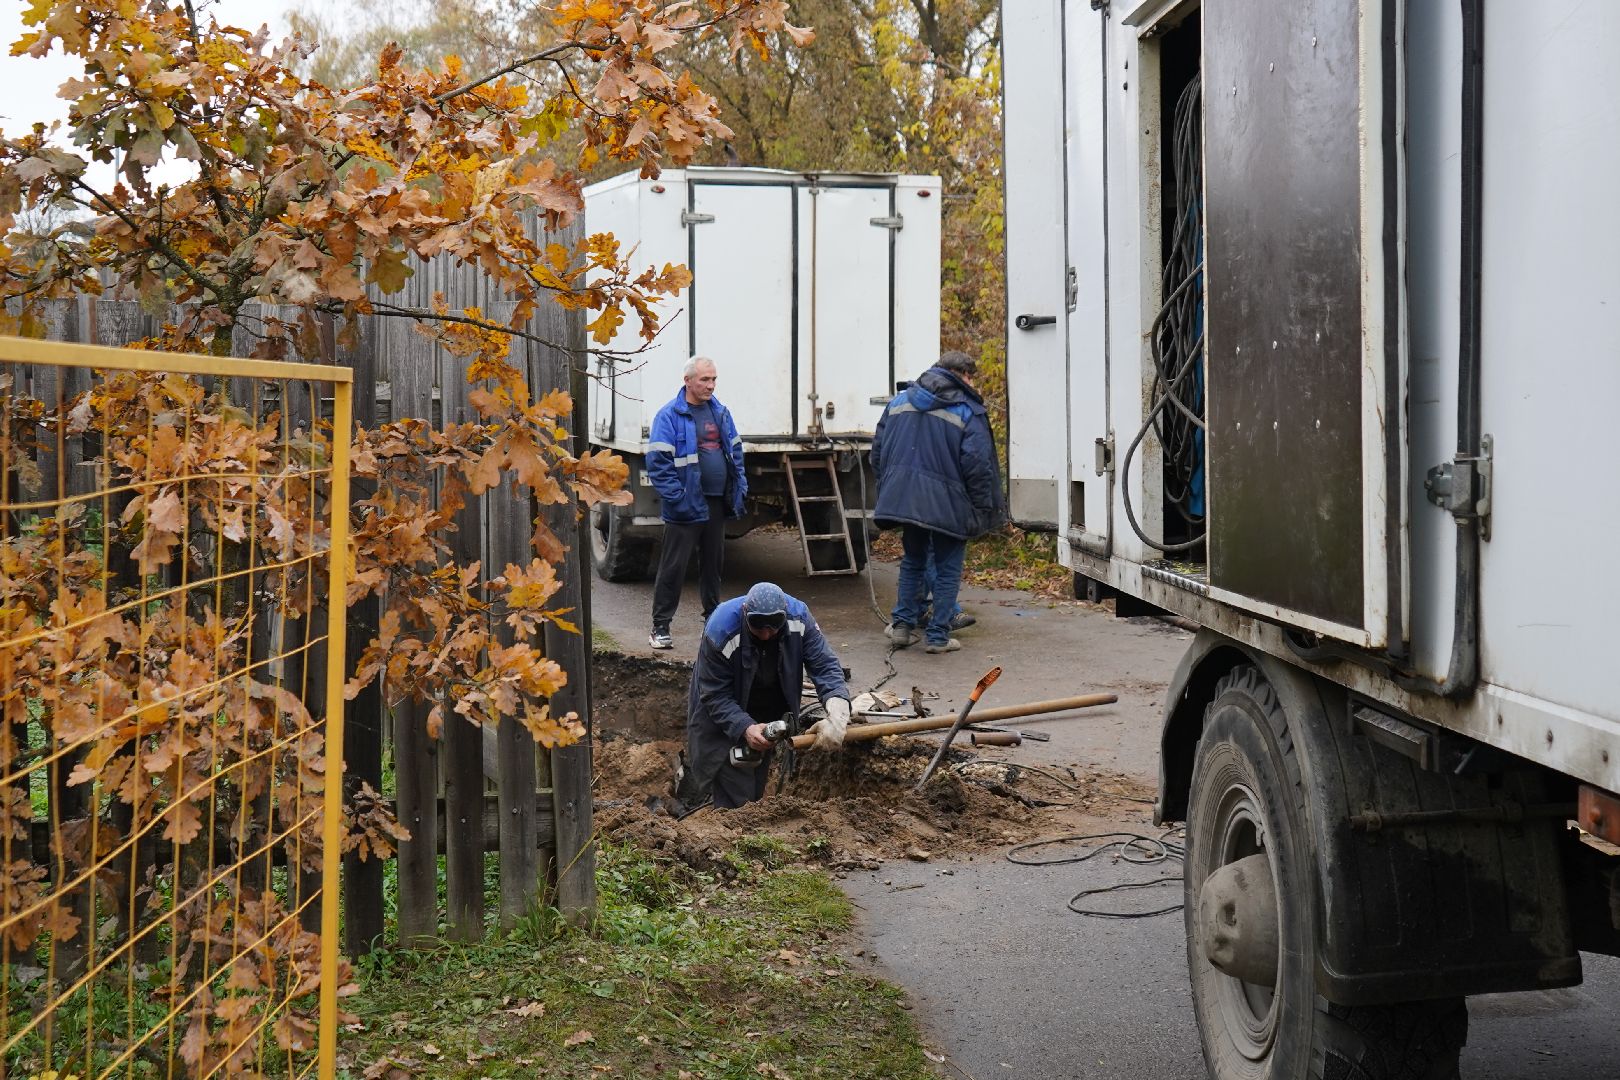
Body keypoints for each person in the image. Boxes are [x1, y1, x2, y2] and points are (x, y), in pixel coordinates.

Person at [871, 350, 1003, 652]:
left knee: (913, 561)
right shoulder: (967, 410)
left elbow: (877, 452)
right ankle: (938, 637)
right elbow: (977, 464)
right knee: (947, 569)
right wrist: (981, 506)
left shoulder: (899, 402)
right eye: (971, 377)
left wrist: (890, 485)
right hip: (949, 503)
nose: (972, 384)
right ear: (962, 375)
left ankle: (902, 627)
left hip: (905, 498)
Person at [681, 582, 852, 808]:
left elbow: (824, 665)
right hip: (724, 716)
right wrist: (744, 727)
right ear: (745, 612)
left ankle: (746, 822)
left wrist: (837, 708)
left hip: (765, 713)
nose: (765, 634)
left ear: (784, 614)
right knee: (738, 799)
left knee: (755, 792)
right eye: (758, 626)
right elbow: (714, 694)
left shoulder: (799, 618)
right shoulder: (720, 629)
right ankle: (733, 823)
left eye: (773, 627)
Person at [646, 356, 747, 650]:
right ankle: (660, 628)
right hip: (685, 506)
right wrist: (678, 498)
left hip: (716, 504)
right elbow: (658, 463)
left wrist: (739, 487)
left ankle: (713, 625)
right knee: (673, 568)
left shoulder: (721, 412)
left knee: (713, 568)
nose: (711, 385)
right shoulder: (669, 416)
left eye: (713, 379)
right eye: (705, 379)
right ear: (688, 381)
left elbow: (735, 452)